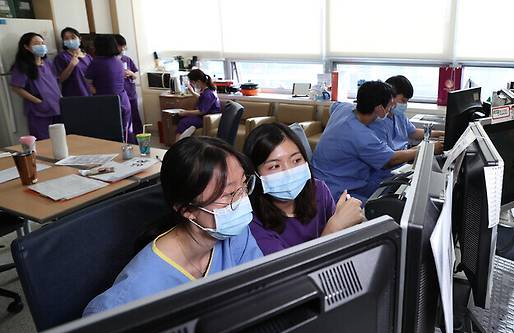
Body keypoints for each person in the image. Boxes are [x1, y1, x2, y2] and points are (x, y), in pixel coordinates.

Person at [83, 137, 263, 315]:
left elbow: (261, 287)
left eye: (244, 184)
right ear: (186, 209)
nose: (243, 200)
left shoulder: (236, 233)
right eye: (230, 193)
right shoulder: (139, 288)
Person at [311, 80, 441, 203]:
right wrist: (427, 149)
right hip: (334, 188)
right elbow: (390, 160)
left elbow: (333, 106)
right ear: (379, 108)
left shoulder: (343, 108)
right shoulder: (362, 137)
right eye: (390, 104)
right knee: (376, 213)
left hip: (320, 176)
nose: (393, 106)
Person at [243, 123, 364, 255]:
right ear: (254, 174)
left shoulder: (318, 190)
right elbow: (288, 272)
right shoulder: (251, 221)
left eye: (296, 160)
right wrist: (333, 229)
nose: (289, 171)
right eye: (275, 166)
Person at [10, 32, 62, 140]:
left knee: (59, 139)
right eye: (37, 44)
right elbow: (16, 87)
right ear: (26, 47)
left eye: (42, 43)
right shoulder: (22, 66)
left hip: (56, 106)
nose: (41, 46)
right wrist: (37, 101)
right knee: (43, 141)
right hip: (39, 111)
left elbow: (55, 81)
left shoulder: (48, 63)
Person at [369, 75, 443, 150]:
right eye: (403, 100)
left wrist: (441, 134)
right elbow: (390, 157)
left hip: (403, 154)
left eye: (407, 101)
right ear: (390, 97)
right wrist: (426, 149)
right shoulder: (378, 121)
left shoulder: (399, 115)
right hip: (397, 158)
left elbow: (413, 132)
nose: (404, 105)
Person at [85, 35, 134, 143]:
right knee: (125, 132)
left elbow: (88, 83)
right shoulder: (118, 61)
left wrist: (96, 93)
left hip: (107, 103)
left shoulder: (96, 62)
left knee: (111, 136)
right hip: (123, 100)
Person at [175, 69, 221, 140]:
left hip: (206, 118)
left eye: (192, 83)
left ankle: (178, 143)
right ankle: (186, 136)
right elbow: (201, 99)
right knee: (181, 118)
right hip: (203, 116)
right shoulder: (207, 90)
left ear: (198, 81)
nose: (192, 85)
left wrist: (186, 112)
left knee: (182, 122)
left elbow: (202, 111)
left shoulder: (208, 94)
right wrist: (192, 92)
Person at [115, 34, 142, 135]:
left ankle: (139, 137)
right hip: (120, 94)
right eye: (120, 46)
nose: (122, 48)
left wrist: (130, 73)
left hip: (130, 93)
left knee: (135, 116)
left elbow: (135, 76)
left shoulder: (127, 59)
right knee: (124, 120)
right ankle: (128, 138)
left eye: (124, 46)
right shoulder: (111, 61)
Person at [54, 27, 93, 97]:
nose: (70, 40)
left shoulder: (88, 57)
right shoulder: (61, 57)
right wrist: (71, 65)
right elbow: (59, 79)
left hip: (90, 94)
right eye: (66, 38)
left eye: (73, 37)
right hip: (73, 96)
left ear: (80, 39)